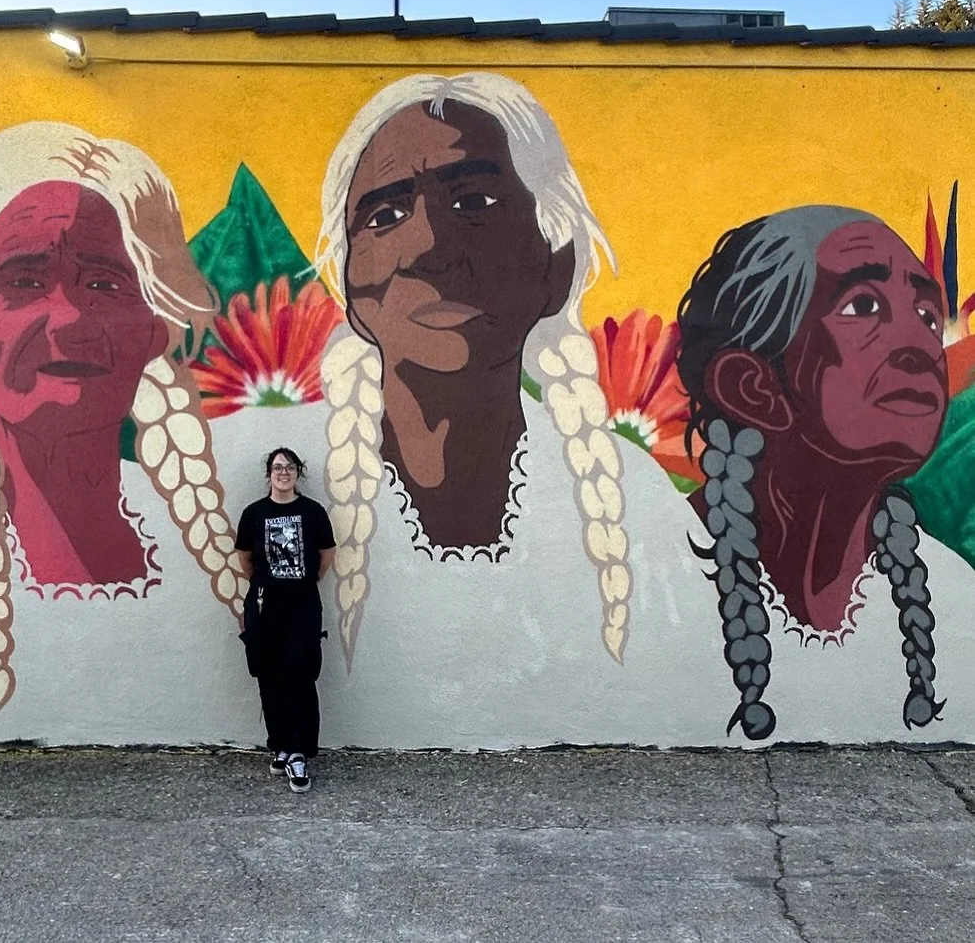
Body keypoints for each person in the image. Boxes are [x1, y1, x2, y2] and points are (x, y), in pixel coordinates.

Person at [0, 120, 251, 736]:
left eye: (104, 282)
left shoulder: (198, 540)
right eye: (23, 281)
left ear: (153, 333)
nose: (67, 317)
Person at [313, 72, 632, 668]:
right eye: (384, 215)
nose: (429, 244)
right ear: (348, 284)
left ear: (556, 264)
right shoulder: (285, 470)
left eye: (475, 203)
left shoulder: (636, 504)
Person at [677, 205, 975, 741]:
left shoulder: (953, 599)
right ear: (752, 387)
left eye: (929, 317)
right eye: (863, 305)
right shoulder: (648, 580)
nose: (921, 346)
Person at [235, 448, 335, 792]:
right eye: (277, 467)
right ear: (268, 474)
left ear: (297, 473)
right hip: (264, 605)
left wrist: (302, 581)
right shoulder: (254, 514)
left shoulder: (312, 512)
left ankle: (298, 753)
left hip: (303, 605)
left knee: (300, 673)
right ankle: (280, 744)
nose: (283, 472)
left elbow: (326, 555)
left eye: (289, 467)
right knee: (269, 675)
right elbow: (246, 559)